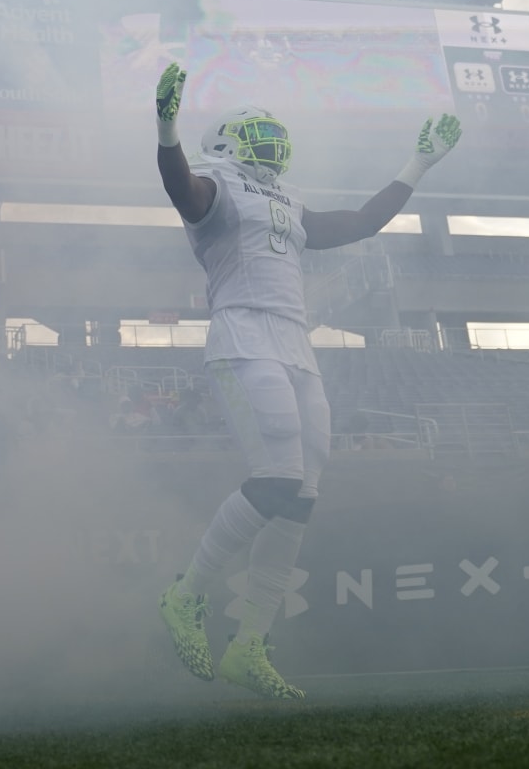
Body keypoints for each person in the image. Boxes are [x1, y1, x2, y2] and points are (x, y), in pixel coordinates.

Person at [151, 60, 460, 700]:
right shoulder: (215, 185)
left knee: (302, 494)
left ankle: (249, 645)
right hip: (241, 334)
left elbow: (362, 224)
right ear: (230, 141)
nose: (271, 141)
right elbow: (181, 190)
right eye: (257, 132)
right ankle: (186, 595)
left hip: (295, 342)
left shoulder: (287, 200)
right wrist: (166, 125)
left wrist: (418, 164)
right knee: (277, 478)